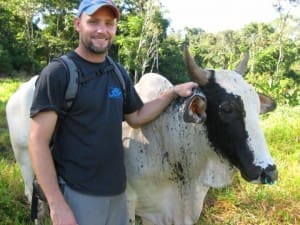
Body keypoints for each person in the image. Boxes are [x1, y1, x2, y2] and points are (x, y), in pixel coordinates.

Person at [28, 0, 198, 225]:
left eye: (109, 23)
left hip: (118, 194)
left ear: (115, 27)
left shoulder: (117, 72)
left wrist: (172, 93)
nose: (102, 30)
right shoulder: (59, 73)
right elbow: (37, 140)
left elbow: (136, 117)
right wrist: (57, 204)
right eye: (93, 22)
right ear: (77, 24)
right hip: (78, 194)